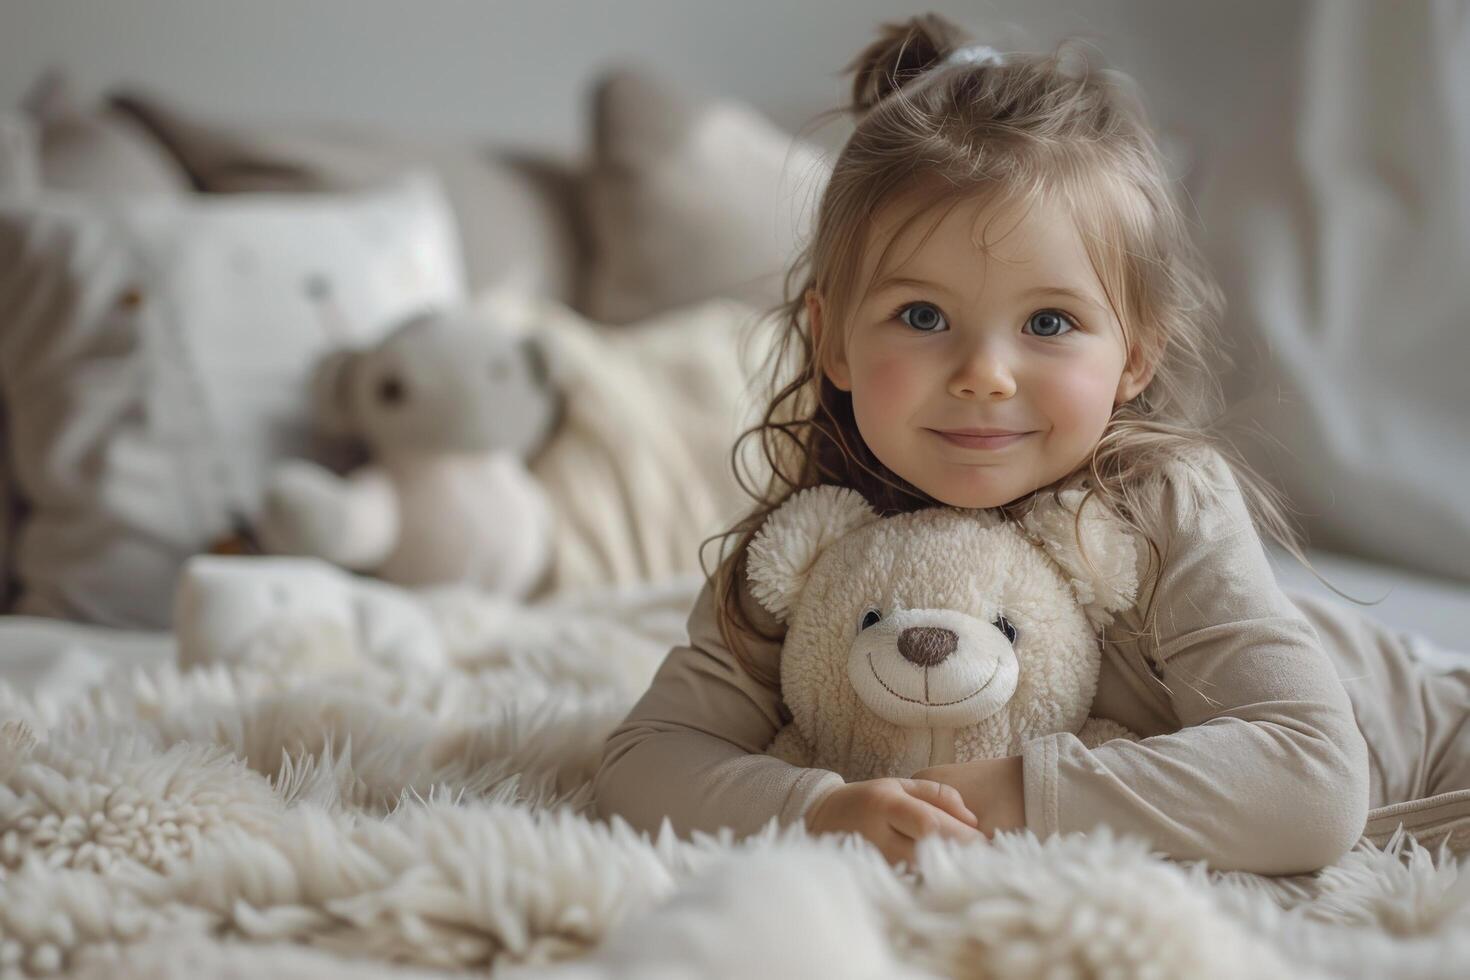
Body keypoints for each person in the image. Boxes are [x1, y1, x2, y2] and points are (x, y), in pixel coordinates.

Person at [592, 13, 1470, 875]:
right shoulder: (815, 532)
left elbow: (1313, 782)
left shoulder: (1165, 503)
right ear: (831, 340)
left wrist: (1018, 798)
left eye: (1049, 321)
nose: (985, 374)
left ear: (1134, 353)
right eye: (922, 316)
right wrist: (814, 811)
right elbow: (647, 757)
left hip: (1435, 738)